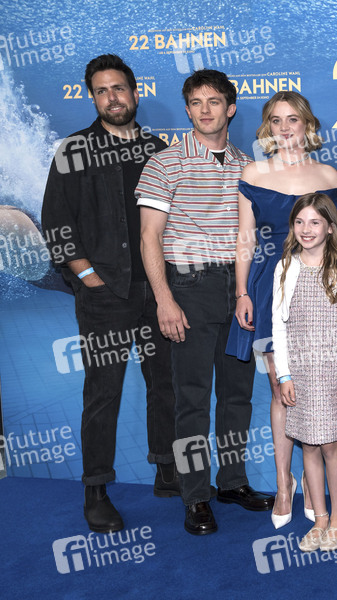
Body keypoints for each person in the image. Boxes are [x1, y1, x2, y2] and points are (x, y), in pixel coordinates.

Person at [41, 54, 177, 533]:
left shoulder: (157, 150)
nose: (112, 98)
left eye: (118, 88)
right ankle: (96, 490)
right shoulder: (73, 151)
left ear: (135, 93)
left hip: (157, 291)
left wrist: (169, 288)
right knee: (103, 394)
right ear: (93, 98)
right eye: (102, 91)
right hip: (103, 296)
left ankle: (166, 469)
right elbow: (56, 225)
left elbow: (174, 221)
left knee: (165, 383)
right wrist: (89, 278)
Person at [136, 69, 274, 535]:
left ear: (230, 108)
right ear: (188, 109)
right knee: (191, 399)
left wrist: (246, 292)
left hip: (239, 289)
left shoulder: (247, 166)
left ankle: (232, 482)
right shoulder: (165, 163)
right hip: (189, 288)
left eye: (214, 101)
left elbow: (252, 235)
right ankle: (195, 495)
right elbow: (149, 237)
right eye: (196, 102)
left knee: (237, 395)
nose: (205, 110)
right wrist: (164, 300)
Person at [223, 91, 337, 529]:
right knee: (280, 388)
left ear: (307, 124)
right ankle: (283, 482)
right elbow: (245, 238)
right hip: (269, 288)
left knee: (315, 386)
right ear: (267, 127)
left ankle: (313, 479)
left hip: (320, 290)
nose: (285, 127)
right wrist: (242, 292)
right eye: (276, 120)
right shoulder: (254, 172)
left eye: (293, 119)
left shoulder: (328, 174)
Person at [272, 192, 337, 551]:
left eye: (314, 222)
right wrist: (284, 375)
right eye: (299, 222)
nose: (306, 229)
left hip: (334, 371)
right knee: (308, 446)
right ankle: (320, 519)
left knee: (330, 446)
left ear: (330, 227)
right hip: (300, 372)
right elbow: (279, 326)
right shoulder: (285, 267)